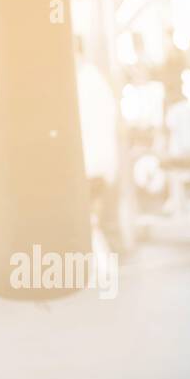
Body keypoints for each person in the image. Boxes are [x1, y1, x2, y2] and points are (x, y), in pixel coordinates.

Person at [74, 35, 122, 253]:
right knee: (89, 214)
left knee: (88, 213)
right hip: (96, 161)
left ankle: (98, 256)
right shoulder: (88, 79)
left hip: (93, 162)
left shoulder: (88, 81)